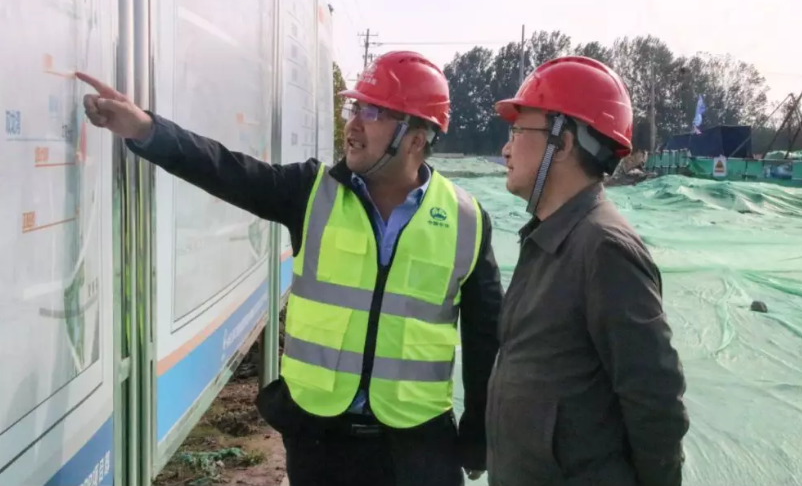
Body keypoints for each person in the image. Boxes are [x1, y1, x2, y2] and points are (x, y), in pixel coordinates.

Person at [76, 50, 502, 486]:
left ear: (416, 138)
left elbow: (486, 339)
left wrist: (478, 437)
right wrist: (145, 129)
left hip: (419, 447)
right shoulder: (312, 192)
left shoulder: (466, 220)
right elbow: (226, 170)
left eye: (373, 112)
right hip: (320, 441)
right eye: (355, 108)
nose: (353, 124)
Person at [486, 56, 689, 486]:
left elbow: (655, 400)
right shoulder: (549, 235)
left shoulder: (604, 249)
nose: (506, 149)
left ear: (561, 143)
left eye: (518, 131)